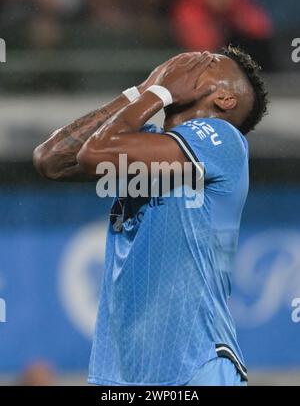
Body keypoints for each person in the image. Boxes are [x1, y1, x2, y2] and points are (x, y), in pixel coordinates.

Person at [33, 46, 268, 385]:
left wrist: (158, 92)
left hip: (196, 363)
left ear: (225, 100)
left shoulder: (223, 139)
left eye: (208, 63)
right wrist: (142, 91)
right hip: (124, 371)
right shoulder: (148, 145)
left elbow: (94, 154)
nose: (190, 60)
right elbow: (51, 159)